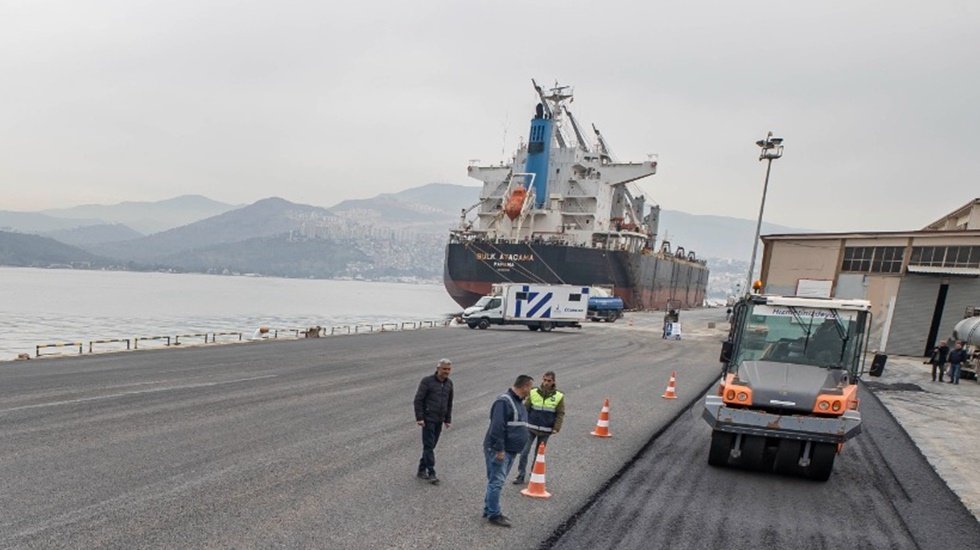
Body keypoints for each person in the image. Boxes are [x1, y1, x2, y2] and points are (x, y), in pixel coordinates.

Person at [483, 374, 533, 527]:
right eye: (530, 388)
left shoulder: (518, 402)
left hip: (510, 450)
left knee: (495, 480)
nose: (530, 391)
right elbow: (497, 427)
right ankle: (494, 514)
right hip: (500, 450)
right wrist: (499, 449)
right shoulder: (503, 402)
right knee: (497, 482)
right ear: (524, 386)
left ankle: (489, 509)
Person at [513, 371, 565, 485]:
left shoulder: (558, 396)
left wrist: (557, 427)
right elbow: (525, 408)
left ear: (553, 382)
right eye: (545, 380)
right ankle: (520, 475)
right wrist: (520, 423)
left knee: (538, 455)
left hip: (546, 431)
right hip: (530, 428)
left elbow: (560, 413)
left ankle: (534, 475)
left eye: (549, 381)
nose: (546, 383)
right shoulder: (534, 392)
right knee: (524, 452)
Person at [413, 359, 454, 484]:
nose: (446, 372)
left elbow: (449, 402)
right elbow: (418, 400)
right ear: (438, 369)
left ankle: (421, 469)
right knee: (429, 445)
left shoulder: (449, 384)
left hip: (439, 420)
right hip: (428, 419)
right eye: (444, 369)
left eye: (448, 369)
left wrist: (447, 419)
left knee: (431, 445)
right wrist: (419, 418)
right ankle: (431, 472)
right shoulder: (427, 382)